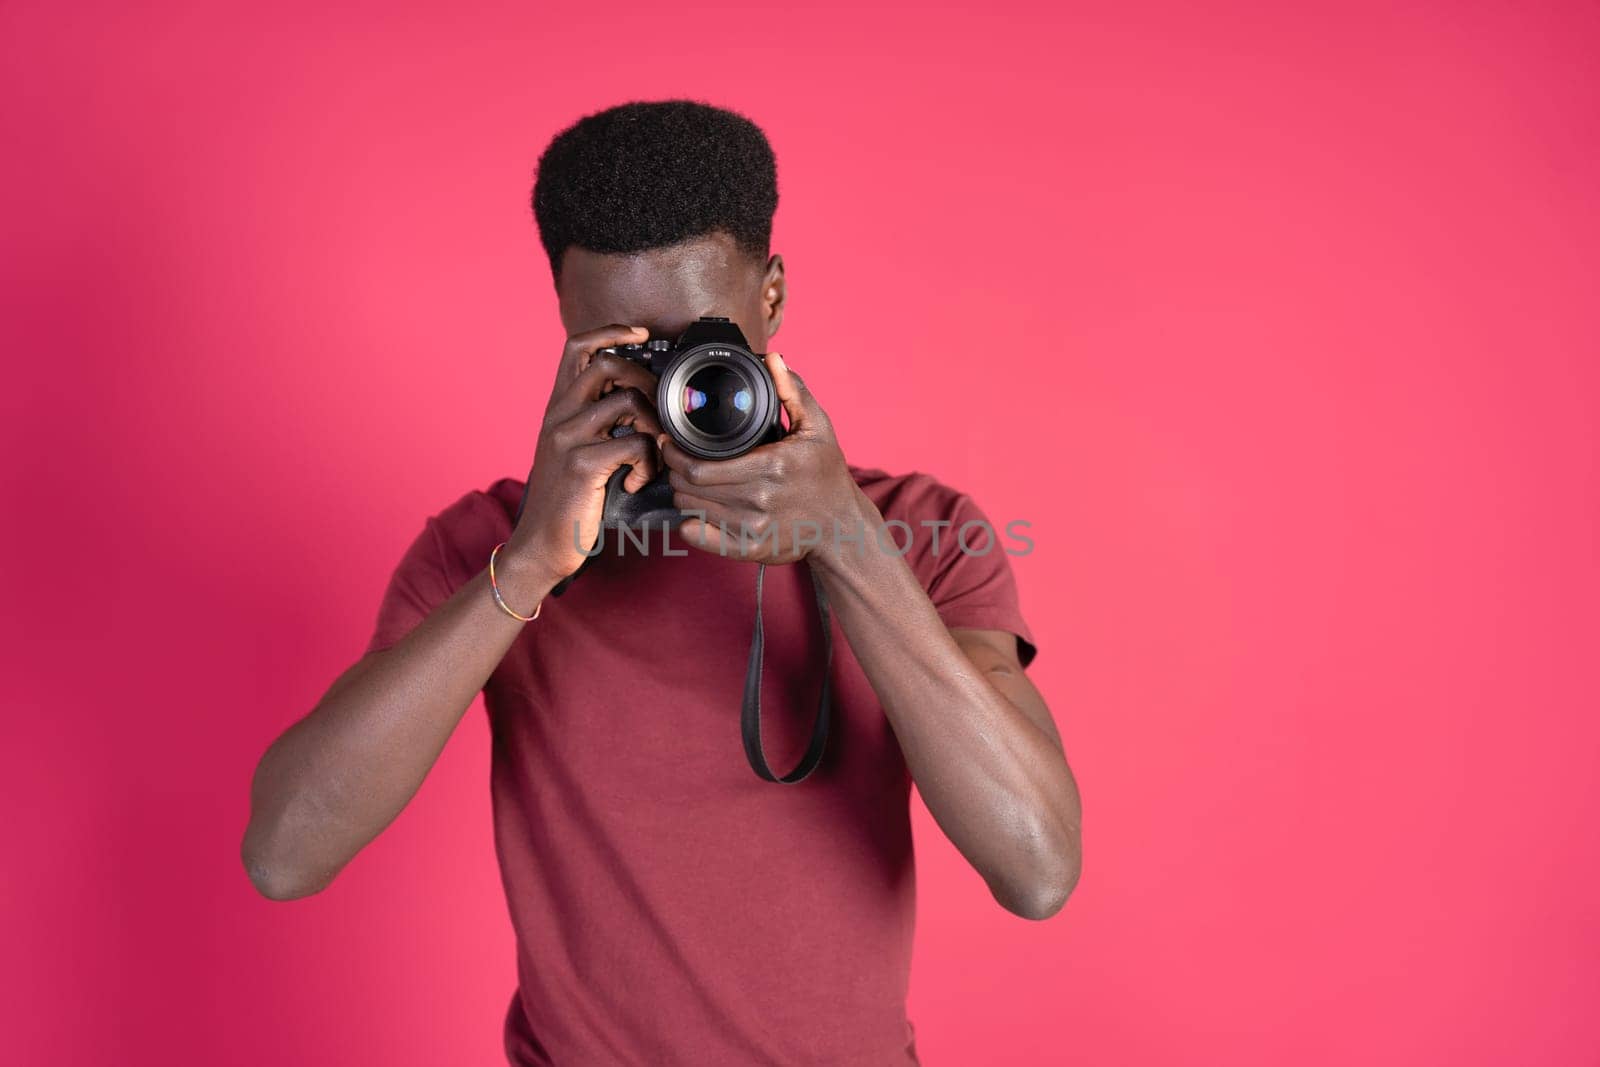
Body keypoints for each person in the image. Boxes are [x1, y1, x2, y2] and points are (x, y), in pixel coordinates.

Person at [241, 98, 1082, 1067]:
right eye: (624, 349)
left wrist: (844, 541)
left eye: (699, 343)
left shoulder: (918, 530)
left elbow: (1036, 864)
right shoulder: (487, 543)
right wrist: (525, 568)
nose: (671, 384)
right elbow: (285, 852)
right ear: (564, 320)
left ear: (769, 296)